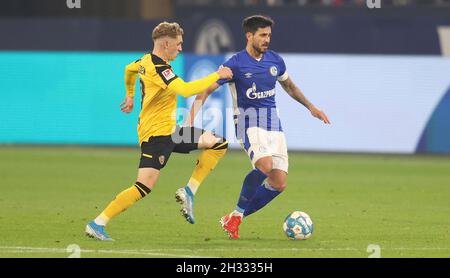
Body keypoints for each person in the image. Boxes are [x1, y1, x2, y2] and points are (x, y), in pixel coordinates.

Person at [184, 15, 330, 239]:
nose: (267, 40)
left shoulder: (276, 61)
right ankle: (237, 216)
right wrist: (188, 120)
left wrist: (311, 106)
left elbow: (289, 86)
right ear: (249, 36)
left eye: (269, 35)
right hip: (248, 121)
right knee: (264, 165)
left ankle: (234, 217)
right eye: (262, 35)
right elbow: (206, 90)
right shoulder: (235, 63)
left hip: (273, 123)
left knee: (279, 183)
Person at [85, 21, 233, 241]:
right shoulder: (159, 68)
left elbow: (129, 70)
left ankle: (189, 191)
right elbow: (185, 89)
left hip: (171, 131)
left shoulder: (145, 61)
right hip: (156, 135)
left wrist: (130, 95)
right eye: (179, 44)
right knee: (143, 186)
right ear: (166, 43)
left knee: (218, 143)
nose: (181, 48)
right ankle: (98, 223)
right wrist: (216, 74)